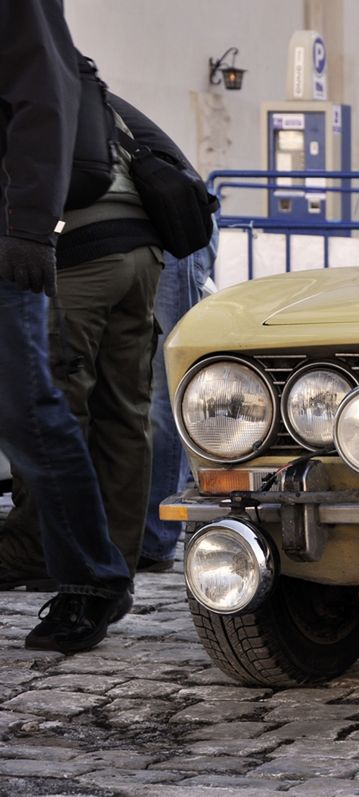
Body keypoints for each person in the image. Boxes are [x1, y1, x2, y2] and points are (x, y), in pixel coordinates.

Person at [0, 0, 132, 652]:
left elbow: (45, 98)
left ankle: (92, 577)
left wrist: (28, 226)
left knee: (27, 408)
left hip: (4, 237)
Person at [1, 85, 164, 585]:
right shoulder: (86, 85)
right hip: (142, 245)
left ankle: (32, 549)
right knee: (125, 413)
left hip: (76, 250)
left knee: (51, 407)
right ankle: (118, 556)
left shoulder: (26, 80)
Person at [104, 94, 219, 571]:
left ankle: (155, 537)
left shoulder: (64, 93)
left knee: (166, 383)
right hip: (132, 235)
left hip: (173, 229)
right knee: (137, 387)